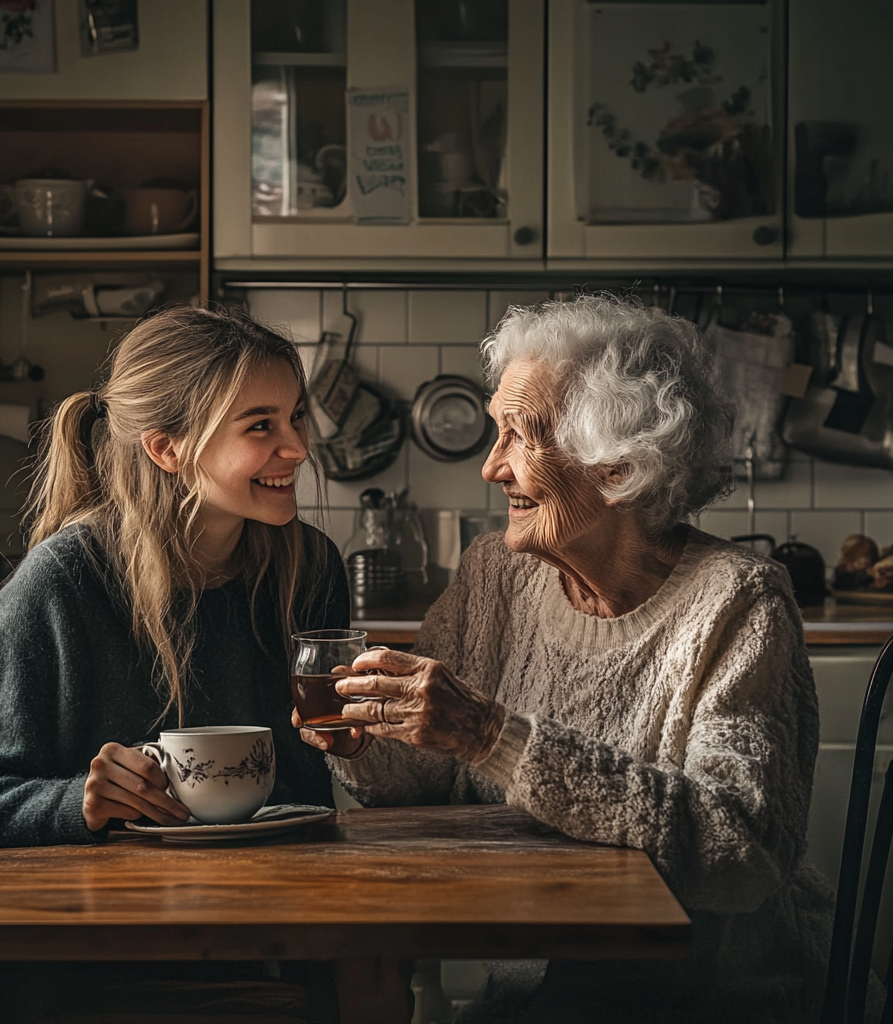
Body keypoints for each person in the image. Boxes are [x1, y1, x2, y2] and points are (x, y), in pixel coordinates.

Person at [299, 294, 868, 1023]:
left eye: (519, 435)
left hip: (714, 995)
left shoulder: (737, 600)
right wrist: (366, 741)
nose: (490, 467)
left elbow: (741, 848)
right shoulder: (493, 580)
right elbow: (422, 781)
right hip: (543, 989)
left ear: (618, 465)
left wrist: (492, 736)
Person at [0, 304, 348, 852]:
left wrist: (358, 742)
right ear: (167, 449)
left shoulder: (312, 567)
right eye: (261, 425)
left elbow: (325, 765)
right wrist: (80, 802)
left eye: (296, 416)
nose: (298, 448)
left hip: (296, 889)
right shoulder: (61, 582)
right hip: (117, 910)